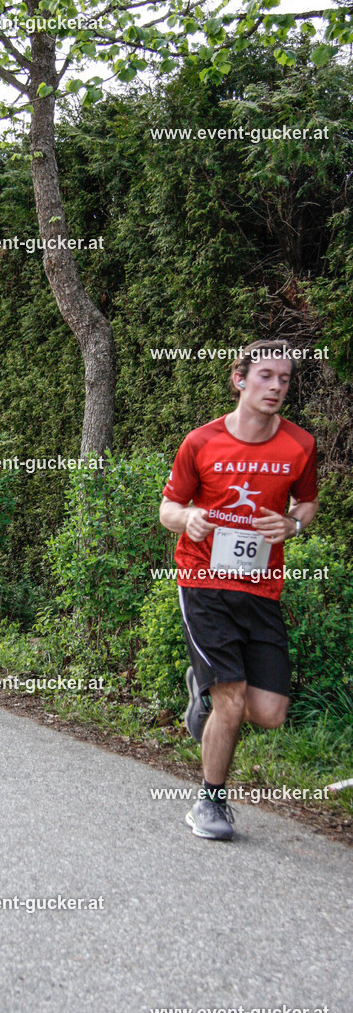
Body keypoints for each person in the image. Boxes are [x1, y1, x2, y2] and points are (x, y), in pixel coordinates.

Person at [159, 340, 318, 840]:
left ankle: (201, 691)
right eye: (266, 376)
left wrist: (292, 527)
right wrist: (189, 517)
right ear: (239, 379)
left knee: (269, 713)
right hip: (203, 582)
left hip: (262, 588)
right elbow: (168, 510)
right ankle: (210, 804)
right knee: (233, 699)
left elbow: (308, 504)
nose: (275, 387)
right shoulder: (201, 442)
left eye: (285, 379)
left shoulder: (300, 445)